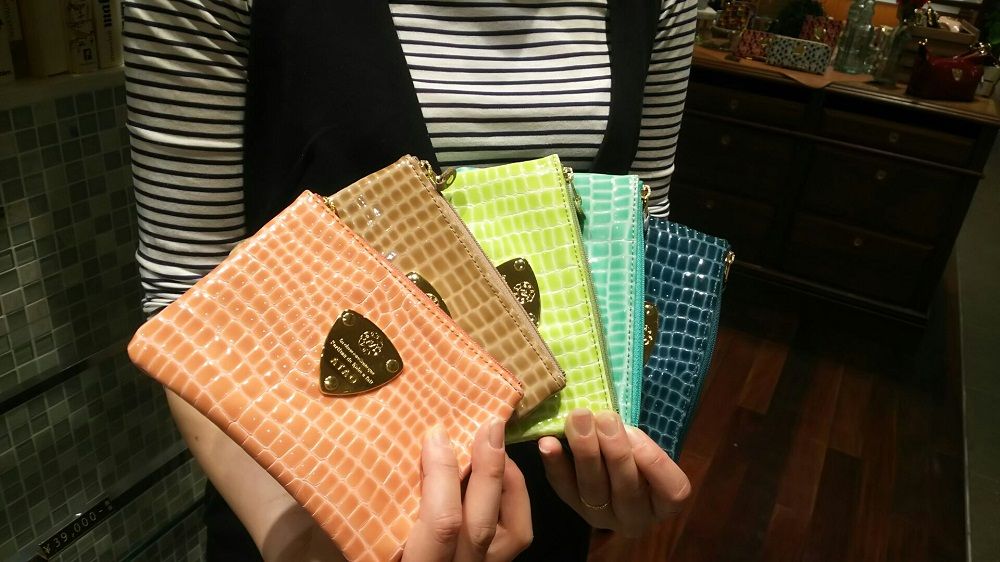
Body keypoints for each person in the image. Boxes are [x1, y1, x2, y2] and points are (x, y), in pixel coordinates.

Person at [123, 1, 697, 560]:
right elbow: (187, 304)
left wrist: (619, 476)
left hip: (546, 484)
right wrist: (297, 543)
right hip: (306, 496)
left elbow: (638, 236)